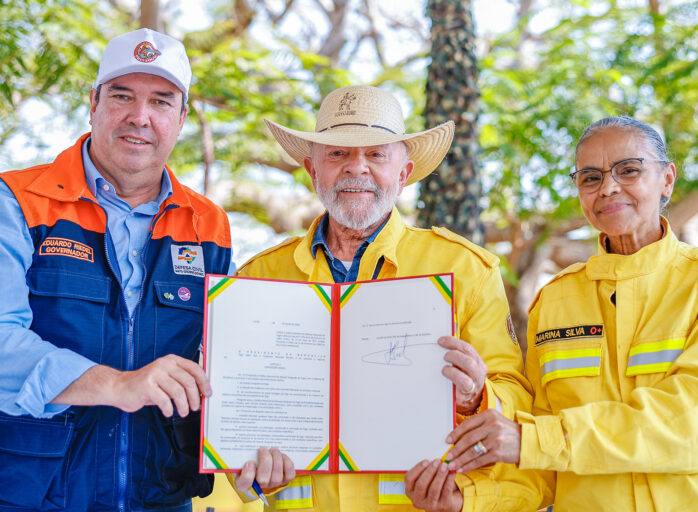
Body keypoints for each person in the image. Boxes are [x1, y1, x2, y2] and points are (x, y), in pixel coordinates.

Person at [228, 85, 549, 511]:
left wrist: (477, 395)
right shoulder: (258, 277)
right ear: (312, 170)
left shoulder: (468, 268)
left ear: (403, 172)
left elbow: (517, 398)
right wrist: (250, 473)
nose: (355, 169)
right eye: (338, 155)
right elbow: (240, 425)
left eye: (376, 155)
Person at [444, 116, 698, 511]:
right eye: (590, 178)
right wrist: (469, 501)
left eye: (629, 170)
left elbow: (695, 427)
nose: (609, 187)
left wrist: (535, 440)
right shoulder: (555, 302)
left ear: (667, 179)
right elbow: (539, 468)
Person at [0, 28, 233, 511]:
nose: (139, 117)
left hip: (162, 497)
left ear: (183, 117)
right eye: (122, 95)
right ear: (93, 102)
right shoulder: (16, 201)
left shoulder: (208, 224)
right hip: (34, 494)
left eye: (162, 101)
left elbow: (224, 362)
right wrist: (118, 385)